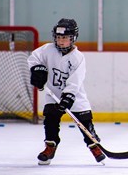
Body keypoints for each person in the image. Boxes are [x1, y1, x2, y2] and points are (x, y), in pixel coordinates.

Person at [27, 18, 106, 165]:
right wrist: (37, 70)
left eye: (65, 38)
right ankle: (50, 147)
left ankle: (94, 146)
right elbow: (33, 58)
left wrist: (68, 97)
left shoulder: (78, 57)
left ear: (73, 38)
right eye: (58, 37)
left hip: (75, 96)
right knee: (50, 120)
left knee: (85, 122)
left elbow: (76, 80)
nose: (61, 41)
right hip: (53, 94)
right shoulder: (47, 50)